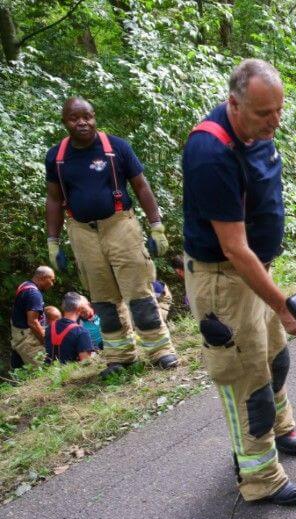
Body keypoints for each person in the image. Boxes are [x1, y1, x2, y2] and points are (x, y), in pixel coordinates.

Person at [182, 59, 296, 506]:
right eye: (263, 113)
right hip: (224, 280)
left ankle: (279, 426)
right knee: (245, 377)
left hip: (257, 268)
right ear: (234, 104)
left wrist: (273, 297)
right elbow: (234, 248)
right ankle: (260, 477)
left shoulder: (257, 132)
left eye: (279, 110)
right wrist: (283, 305)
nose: (275, 121)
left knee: (274, 358)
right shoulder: (211, 152)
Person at [45, 97, 178, 378]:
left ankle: (160, 350)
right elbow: (54, 200)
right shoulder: (56, 157)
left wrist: (156, 225)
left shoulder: (116, 148)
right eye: (74, 118)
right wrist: (53, 242)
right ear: (64, 121)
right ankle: (119, 356)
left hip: (120, 225)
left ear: (94, 117)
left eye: (87, 116)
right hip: (81, 232)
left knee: (139, 293)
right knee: (103, 299)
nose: (82, 122)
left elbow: (141, 187)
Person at [9, 266, 55, 369]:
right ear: (42, 277)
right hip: (27, 338)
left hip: (18, 333)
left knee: (19, 368)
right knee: (44, 369)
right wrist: (46, 342)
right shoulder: (34, 294)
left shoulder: (25, 285)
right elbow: (33, 323)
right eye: (51, 280)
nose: (52, 284)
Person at [45, 292, 94, 364]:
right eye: (86, 304)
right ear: (79, 307)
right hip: (71, 373)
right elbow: (86, 362)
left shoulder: (50, 328)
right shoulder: (81, 332)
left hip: (52, 372)